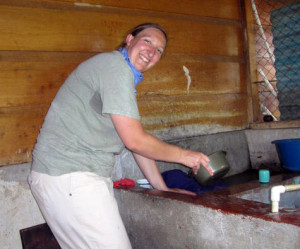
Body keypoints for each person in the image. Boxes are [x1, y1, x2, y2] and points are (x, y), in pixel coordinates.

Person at [28, 23, 212, 249]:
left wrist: (162, 188)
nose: (151, 52)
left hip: (63, 178)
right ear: (129, 40)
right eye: (147, 41)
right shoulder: (115, 68)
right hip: (71, 177)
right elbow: (135, 140)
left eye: (159, 50)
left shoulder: (118, 74)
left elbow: (137, 143)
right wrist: (186, 156)